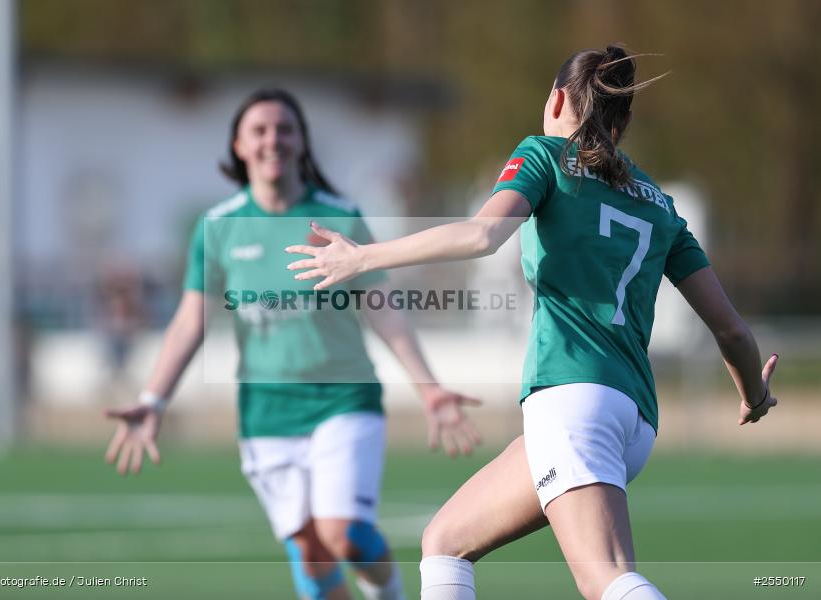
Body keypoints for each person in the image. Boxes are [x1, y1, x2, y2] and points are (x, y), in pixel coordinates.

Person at [285, 46, 779, 600]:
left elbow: (481, 235)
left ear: (558, 99)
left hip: (572, 400)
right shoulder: (661, 207)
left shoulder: (545, 156)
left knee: (605, 578)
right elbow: (731, 331)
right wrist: (754, 394)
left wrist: (362, 258)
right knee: (445, 542)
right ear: (624, 122)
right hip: (633, 416)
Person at [104, 88, 482, 600]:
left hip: (343, 401)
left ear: (302, 141)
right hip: (265, 414)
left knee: (344, 535)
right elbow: (191, 320)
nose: (272, 140)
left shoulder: (338, 217)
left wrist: (428, 387)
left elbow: (382, 308)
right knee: (310, 553)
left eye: (285, 129)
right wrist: (153, 399)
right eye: (259, 130)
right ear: (238, 146)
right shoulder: (219, 227)